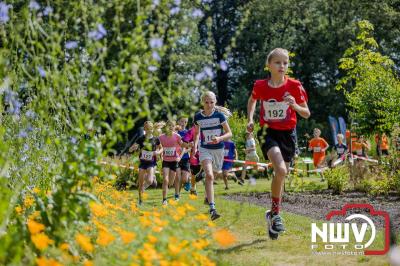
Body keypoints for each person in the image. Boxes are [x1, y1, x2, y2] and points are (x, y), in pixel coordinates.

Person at [246, 48, 310, 239]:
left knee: (281, 174)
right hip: (268, 132)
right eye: (277, 62)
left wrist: (294, 105)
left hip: (288, 134)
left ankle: (273, 215)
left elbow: (306, 113)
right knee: (280, 170)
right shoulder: (260, 85)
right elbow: (252, 100)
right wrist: (250, 118)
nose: (282, 66)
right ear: (269, 65)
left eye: (285, 62)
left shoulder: (295, 86)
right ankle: (276, 214)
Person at [193, 90, 233, 220]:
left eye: (211, 102)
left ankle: (206, 194)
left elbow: (229, 133)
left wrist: (220, 138)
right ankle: (212, 208)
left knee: (214, 174)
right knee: (210, 176)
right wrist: (195, 145)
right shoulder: (198, 117)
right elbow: (197, 133)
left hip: (218, 149)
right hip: (205, 149)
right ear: (202, 103)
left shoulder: (220, 116)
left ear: (215, 102)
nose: (209, 105)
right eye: (206, 102)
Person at [129, 121, 162, 205]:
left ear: (152, 129)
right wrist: (132, 148)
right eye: (146, 128)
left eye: (149, 128)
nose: (148, 130)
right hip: (142, 162)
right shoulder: (141, 138)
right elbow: (130, 149)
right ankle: (140, 200)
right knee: (140, 182)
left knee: (149, 181)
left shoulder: (156, 139)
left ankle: (148, 182)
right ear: (144, 129)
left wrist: (157, 153)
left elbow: (161, 148)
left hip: (151, 162)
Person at [159, 120, 183, 205]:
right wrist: (160, 156)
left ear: (174, 127)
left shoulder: (177, 136)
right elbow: (159, 148)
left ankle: (176, 195)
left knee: (171, 182)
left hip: (174, 161)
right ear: (166, 127)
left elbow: (183, 146)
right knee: (165, 180)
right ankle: (164, 200)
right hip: (165, 161)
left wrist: (180, 157)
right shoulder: (161, 137)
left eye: (172, 126)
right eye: (168, 126)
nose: (170, 127)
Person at [176, 117, 192, 192]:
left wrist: (186, 151)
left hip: (185, 158)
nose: (183, 124)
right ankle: (177, 195)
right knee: (178, 178)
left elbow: (191, 146)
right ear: (178, 122)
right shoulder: (175, 133)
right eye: (182, 121)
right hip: (176, 158)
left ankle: (188, 181)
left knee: (184, 179)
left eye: (185, 122)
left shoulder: (188, 133)